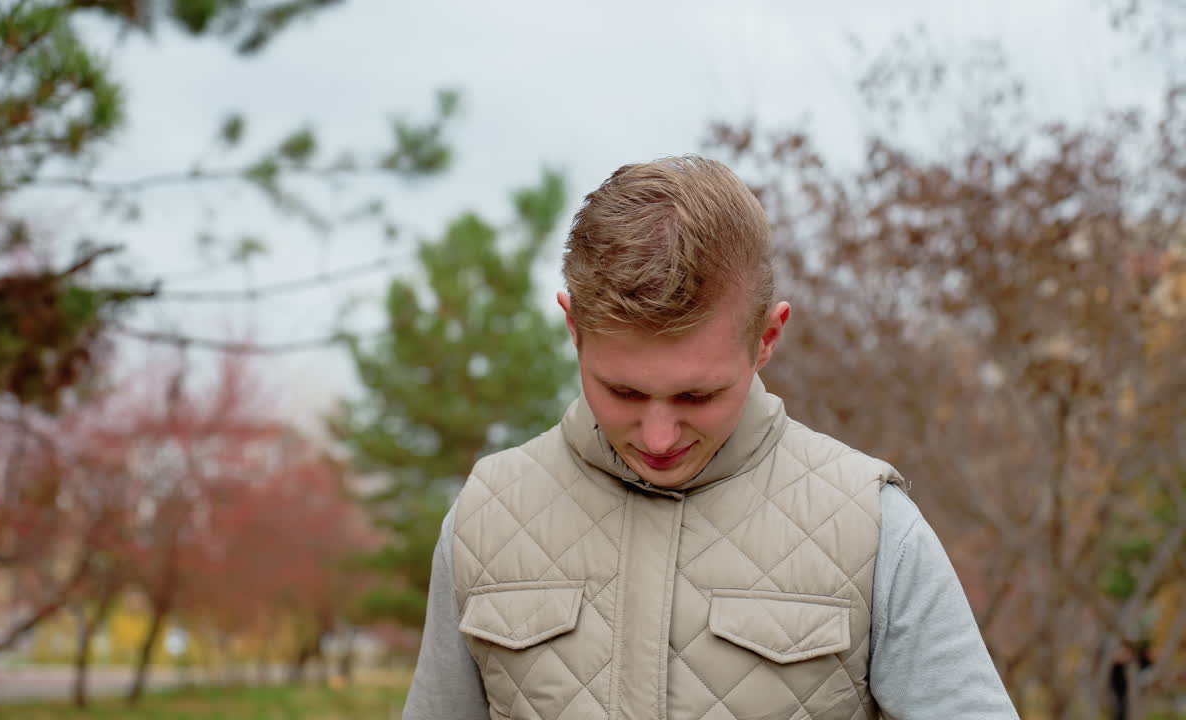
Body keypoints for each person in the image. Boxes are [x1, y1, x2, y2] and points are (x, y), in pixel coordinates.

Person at [402, 156, 1019, 719]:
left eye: (697, 395)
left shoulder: (876, 528)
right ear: (573, 328)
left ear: (767, 338)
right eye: (624, 392)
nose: (659, 435)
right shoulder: (484, 517)